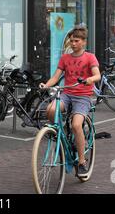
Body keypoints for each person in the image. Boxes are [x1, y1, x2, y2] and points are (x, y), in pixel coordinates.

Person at [39, 26, 100, 178]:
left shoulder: (90, 57)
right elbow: (55, 77)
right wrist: (46, 85)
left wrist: (90, 79)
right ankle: (58, 134)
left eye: (76, 41)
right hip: (67, 93)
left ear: (84, 42)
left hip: (83, 96)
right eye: (71, 41)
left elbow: (97, 75)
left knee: (76, 125)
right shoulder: (65, 58)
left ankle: (81, 162)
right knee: (50, 110)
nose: (72, 44)